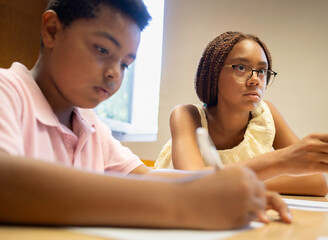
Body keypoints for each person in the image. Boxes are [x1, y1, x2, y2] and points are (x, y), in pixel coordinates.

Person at [0, 0, 291, 230]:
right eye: (102, 49)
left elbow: (146, 176)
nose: (114, 73)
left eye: (126, 64)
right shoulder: (8, 92)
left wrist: (228, 191)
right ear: (52, 30)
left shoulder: (88, 123)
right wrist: (185, 203)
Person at [155, 31, 328, 197]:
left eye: (261, 71)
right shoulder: (187, 115)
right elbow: (193, 182)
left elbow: (317, 181)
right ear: (213, 73)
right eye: (241, 67)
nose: (255, 80)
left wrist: (230, 183)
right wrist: (275, 166)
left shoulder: (266, 115)